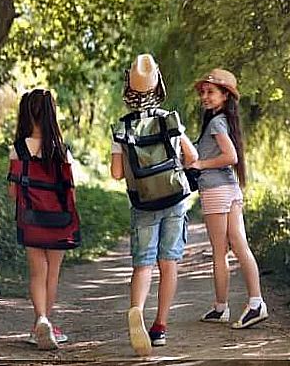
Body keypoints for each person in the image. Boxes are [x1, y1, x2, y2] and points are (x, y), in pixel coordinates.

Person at [111, 54, 198, 356]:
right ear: (158, 86)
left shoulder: (123, 128)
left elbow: (116, 173)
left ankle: (136, 309)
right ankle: (159, 326)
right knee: (169, 262)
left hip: (143, 202)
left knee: (143, 263)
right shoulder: (169, 119)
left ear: (129, 89)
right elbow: (193, 156)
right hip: (175, 198)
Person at [190, 69, 268, 329]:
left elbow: (230, 156)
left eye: (210, 92)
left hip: (216, 190)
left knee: (219, 252)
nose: (205, 96)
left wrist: (200, 164)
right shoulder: (220, 121)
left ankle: (224, 307)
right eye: (203, 92)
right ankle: (252, 302)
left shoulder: (216, 123)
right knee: (238, 245)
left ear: (225, 95)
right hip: (230, 189)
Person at [8, 89, 79, 350]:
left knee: (37, 273)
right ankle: (47, 321)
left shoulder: (17, 150)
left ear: (27, 113)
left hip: (30, 220)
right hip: (59, 220)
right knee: (52, 273)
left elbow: (13, 191)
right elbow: (71, 191)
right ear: (51, 114)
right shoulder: (61, 150)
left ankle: (39, 321)